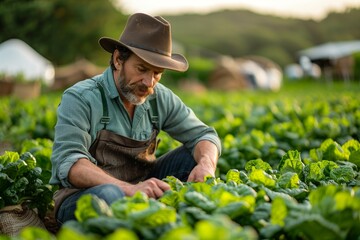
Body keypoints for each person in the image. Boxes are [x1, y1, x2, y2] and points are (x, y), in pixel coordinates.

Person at [50, 12, 221, 225]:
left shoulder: (161, 97)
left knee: (194, 156)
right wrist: (129, 189)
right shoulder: (81, 98)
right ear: (118, 59)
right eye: (141, 69)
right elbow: (70, 163)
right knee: (110, 196)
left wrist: (206, 164)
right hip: (84, 195)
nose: (149, 82)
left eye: (157, 73)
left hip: (143, 186)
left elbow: (204, 134)